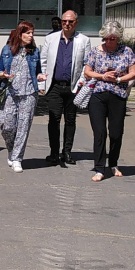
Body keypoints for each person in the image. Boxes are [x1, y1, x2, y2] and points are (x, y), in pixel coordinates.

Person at [83, 20, 135, 182]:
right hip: (98, 95)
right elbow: (87, 72)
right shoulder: (95, 51)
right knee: (99, 132)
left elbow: (133, 73)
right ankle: (99, 168)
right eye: (106, 38)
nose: (109, 41)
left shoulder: (126, 51)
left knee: (116, 133)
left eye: (112, 38)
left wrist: (119, 79)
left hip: (118, 95)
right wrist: (102, 76)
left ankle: (113, 163)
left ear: (118, 37)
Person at [38, 10, 91, 167]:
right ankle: (54, 153)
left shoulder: (84, 40)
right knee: (54, 119)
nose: (67, 24)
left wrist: (81, 84)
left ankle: (67, 152)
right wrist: (42, 84)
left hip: (73, 87)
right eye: (64, 21)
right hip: (54, 86)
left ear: (76, 22)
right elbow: (43, 61)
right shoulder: (51, 39)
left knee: (70, 120)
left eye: (70, 21)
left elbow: (86, 64)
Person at [0, 21, 45, 173]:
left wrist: (40, 77)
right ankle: (11, 150)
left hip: (29, 94)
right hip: (11, 93)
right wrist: (2, 74)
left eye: (32, 33)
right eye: (28, 33)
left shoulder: (34, 52)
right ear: (20, 34)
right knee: (7, 126)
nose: (31, 36)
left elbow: (37, 71)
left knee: (23, 128)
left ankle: (17, 159)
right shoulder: (7, 50)